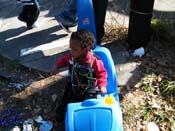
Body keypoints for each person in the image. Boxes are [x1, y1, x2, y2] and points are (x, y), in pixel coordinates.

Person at [51, 29, 107, 122]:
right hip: (73, 85)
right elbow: (64, 60)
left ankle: (81, 121)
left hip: (89, 89)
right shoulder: (72, 57)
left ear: (85, 50)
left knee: (86, 108)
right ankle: (61, 117)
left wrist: (102, 85)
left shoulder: (94, 61)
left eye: (75, 49)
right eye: (70, 48)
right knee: (65, 101)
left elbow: (102, 73)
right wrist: (57, 66)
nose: (71, 51)